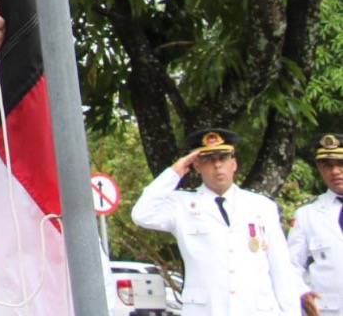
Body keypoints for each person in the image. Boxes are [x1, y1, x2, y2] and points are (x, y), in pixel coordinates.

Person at [132, 127, 316, 316]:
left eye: (222, 158)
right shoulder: (182, 204)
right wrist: (175, 171)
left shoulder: (261, 206)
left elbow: (281, 270)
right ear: (197, 166)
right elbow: (141, 214)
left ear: (233, 164)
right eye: (209, 160)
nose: (217, 165)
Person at [291, 133, 343, 314]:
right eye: (327, 165)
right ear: (319, 169)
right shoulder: (307, 214)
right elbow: (291, 264)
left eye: (341, 164)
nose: (335, 171)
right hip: (326, 310)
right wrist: (302, 292)